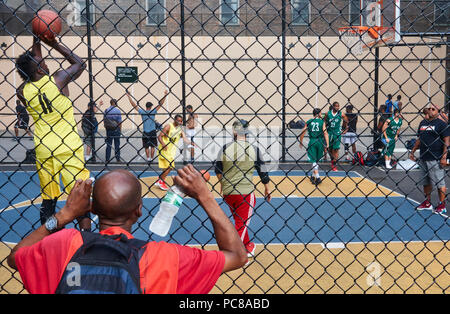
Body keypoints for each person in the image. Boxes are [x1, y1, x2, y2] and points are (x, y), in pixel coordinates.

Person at [6, 166, 248, 294]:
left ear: (91, 208)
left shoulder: (64, 244)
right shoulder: (162, 258)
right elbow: (237, 256)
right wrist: (204, 195)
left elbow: (15, 257)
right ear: (139, 210)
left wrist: (65, 214)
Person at [15, 36, 91, 230]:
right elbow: (80, 63)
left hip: (44, 149)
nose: (46, 61)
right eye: (43, 62)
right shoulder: (58, 80)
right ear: (40, 69)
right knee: (80, 195)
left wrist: (37, 37)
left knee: (48, 199)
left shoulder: (22, 90)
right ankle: (86, 240)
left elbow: (34, 60)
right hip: (68, 147)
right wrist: (54, 43)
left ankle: (49, 240)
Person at [214, 119, 272, 258]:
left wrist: (223, 184)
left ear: (234, 131)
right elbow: (262, 171)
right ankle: (235, 254)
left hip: (228, 193)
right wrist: (267, 188)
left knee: (239, 222)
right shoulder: (254, 149)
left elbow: (217, 169)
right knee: (241, 223)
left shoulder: (225, 148)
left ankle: (248, 245)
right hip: (245, 192)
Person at [409, 104, 450, 214]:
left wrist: (444, 156)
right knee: (425, 181)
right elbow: (419, 139)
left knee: (439, 182)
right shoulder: (423, 123)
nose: (430, 110)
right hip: (423, 156)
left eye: (433, 109)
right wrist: (412, 151)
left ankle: (442, 205)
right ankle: (427, 202)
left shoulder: (441, 124)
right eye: (429, 108)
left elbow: (447, 141)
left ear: (438, 112)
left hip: (435, 157)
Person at [127, 90, 168, 162]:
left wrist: (129, 96)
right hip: (152, 131)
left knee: (146, 146)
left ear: (146, 107)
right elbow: (160, 104)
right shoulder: (153, 112)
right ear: (151, 106)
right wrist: (165, 95)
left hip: (145, 131)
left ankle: (148, 158)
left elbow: (133, 105)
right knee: (153, 146)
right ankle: (151, 158)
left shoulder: (142, 112)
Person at [156, 114, 193, 190]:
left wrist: (190, 142)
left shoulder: (180, 129)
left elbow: (185, 138)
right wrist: (163, 144)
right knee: (170, 166)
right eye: (178, 120)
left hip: (171, 151)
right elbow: (159, 136)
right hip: (164, 149)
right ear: (174, 120)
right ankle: (161, 181)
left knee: (166, 168)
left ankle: (160, 179)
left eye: (181, 121)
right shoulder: (168, 126)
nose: (179, 122)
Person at [300, 108, 329, 185]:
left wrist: (301, 141)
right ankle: (313, 176)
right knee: (316, 161)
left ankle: (318, 177)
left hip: (312, 141)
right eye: (320, 113)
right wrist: (327, 144)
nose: (321, 114)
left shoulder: (309, 121)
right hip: (320, 141)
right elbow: (325, 133)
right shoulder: (322, 122)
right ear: (318, 113)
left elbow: (303, 131)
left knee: (313, 160)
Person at [324, 101, 348, 171]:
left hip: (337, 133)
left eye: (338, 106)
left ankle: (334, 165)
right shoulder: (327, 114)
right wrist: (324, 129)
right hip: (329, 132)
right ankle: (332, 160)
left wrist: (345, 129)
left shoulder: (341, 114)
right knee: (329, 149)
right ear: (333, 107)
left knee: (336, 149)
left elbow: (346, 120)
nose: (337, 107)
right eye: (336, 106)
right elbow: (325, 121)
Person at [104, 99, 122, 163]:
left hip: (109, 129)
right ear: (114, 103)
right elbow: (119, 122)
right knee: (117, 144)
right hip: (116, 129)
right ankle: (118, 158)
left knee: (109, 144)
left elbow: (105, 120)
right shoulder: (117, 111)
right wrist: (120, 130)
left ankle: (107, 159)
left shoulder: (106, 110)